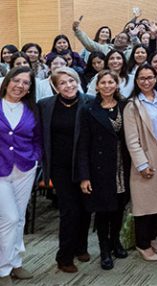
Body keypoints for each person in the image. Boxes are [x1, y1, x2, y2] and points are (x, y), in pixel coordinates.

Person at [39, 68, 93, 273]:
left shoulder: (89, 101)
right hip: (59, 166)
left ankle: (81, 246)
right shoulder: (45, 105)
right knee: (69, 211)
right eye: (62, 83)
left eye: (71, 81)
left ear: (77, 81)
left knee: (86, 208)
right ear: (54, 86)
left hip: (85, 164)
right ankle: (64, 256)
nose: (68, 85)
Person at [77, 70, 129, 270]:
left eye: (111, 82)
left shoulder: (125, 107)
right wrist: (84, 176)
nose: (107, 86)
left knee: (119, 208)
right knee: (103, 211)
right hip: (99, 168)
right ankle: (104, 249)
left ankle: (115, 241)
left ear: (117, 85)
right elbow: (83, 145)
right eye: (103, 83)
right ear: (97, 86)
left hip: (122, 166)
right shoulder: (88, 109)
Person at [123, 64, 157, 262]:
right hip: (145, 154)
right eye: (142, 78)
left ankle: (152, 239)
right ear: (136, 81)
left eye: (150, 77)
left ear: (156, 79)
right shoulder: (132, 105)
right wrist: (142, 165)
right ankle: (142, 244)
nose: (146, 81)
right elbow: (131, 140)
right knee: (144, 204)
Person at [0, 67, 40, 283]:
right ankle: (3, 269)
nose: (20, 85)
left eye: (25, 83)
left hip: (25, 169)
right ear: (7, 82)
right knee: (9, 217)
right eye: (16, 80)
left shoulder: (32, 109)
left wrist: (35, 157)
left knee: (20, 218)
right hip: (0, 170)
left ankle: (15, 262)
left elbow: (37, 138)